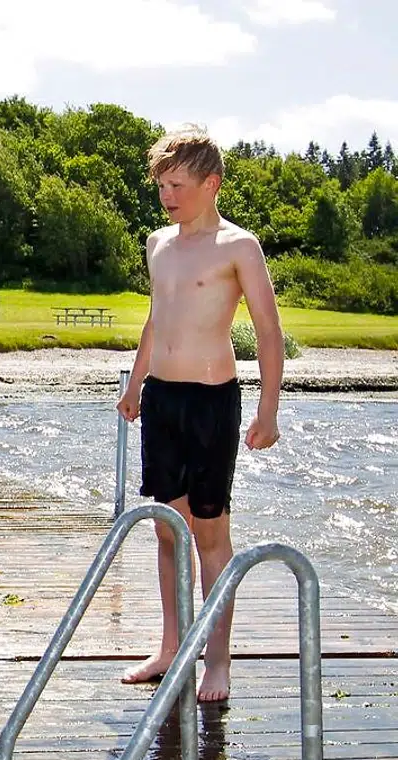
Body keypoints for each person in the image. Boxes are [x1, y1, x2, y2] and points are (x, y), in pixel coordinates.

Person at [117, 125, 283, 704]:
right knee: (168, 530)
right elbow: (157, 317)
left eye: (178, 184)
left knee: (211, 536)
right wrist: (136, 383)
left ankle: (217, 661)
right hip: (162, 398)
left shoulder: (239, 246)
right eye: (162, 184)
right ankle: (170, 648)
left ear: (210, 184)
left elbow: (268, 330)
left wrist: (268, 410)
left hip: (212, 403)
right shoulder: (158, 243)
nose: (167, 195)